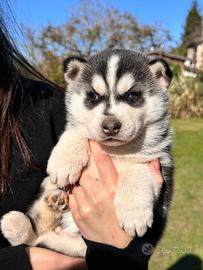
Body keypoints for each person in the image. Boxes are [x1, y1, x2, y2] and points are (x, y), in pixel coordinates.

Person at [0, 8, 164, 270]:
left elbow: (143, 225)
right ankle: (38, 234)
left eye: (132, 97)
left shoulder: (47, 104)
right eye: (94, 97)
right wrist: (27, 260)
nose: (110, 119)